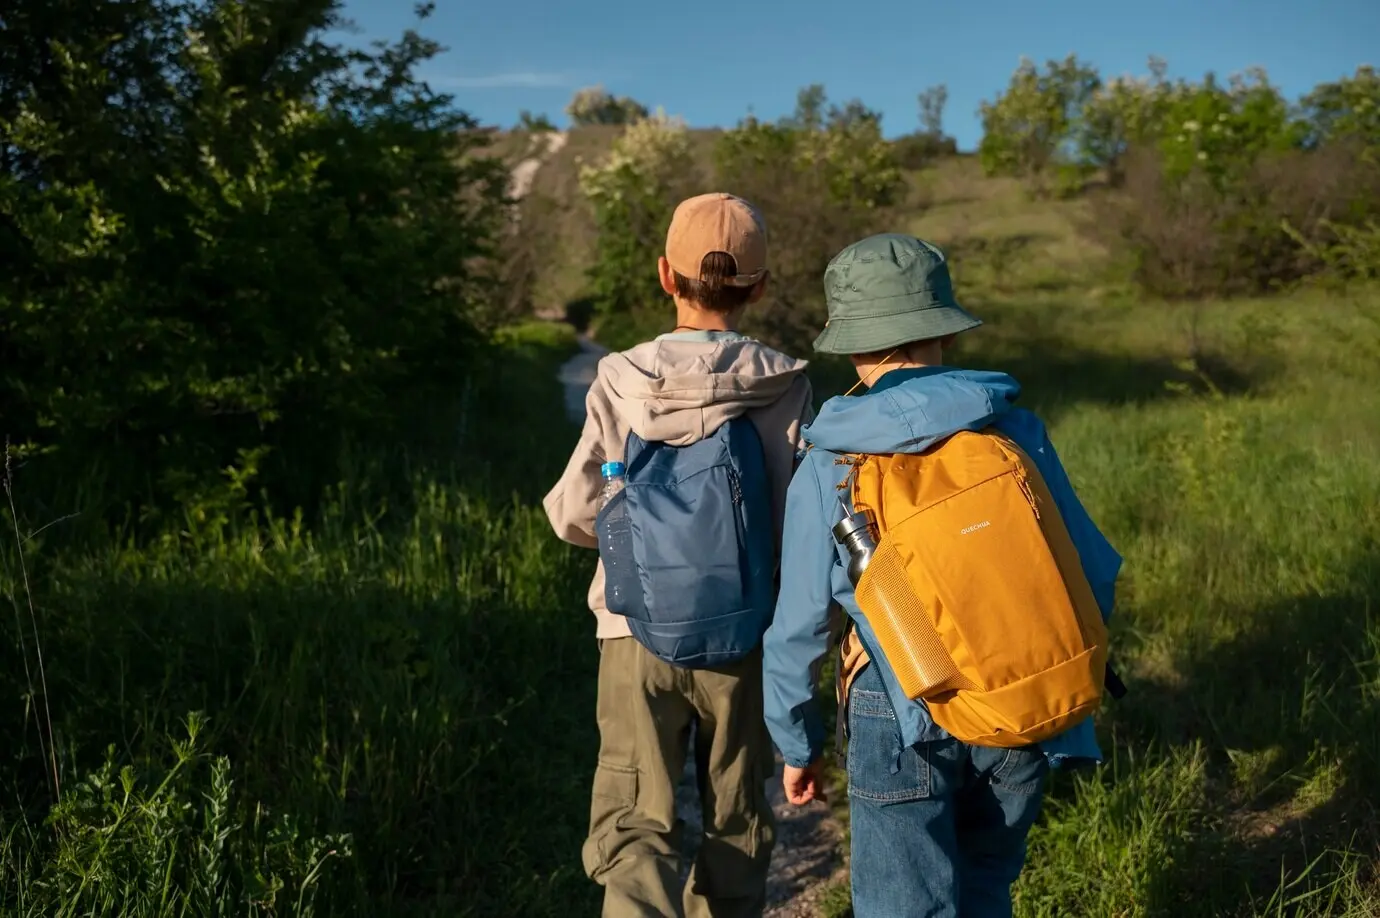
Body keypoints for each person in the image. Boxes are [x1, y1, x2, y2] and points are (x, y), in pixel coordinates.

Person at [762, 233, 1121, 918]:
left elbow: (800, 624)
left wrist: (796, 742)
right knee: (987, 889)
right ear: (943, 331)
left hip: (897, 705)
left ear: (854, 344)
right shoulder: (1014, 429)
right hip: (1017, 698)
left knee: (904, 906)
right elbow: (1091, 571)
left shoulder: (829, 460)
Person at [544, 192, 815, 918]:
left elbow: (574, 513)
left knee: (637, 820)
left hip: (633, 629)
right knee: (735, 818)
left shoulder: (621, 376)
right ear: (759, 287)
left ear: (665, 275)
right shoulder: (785, 384)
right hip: (744, 633)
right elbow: (801, 520)